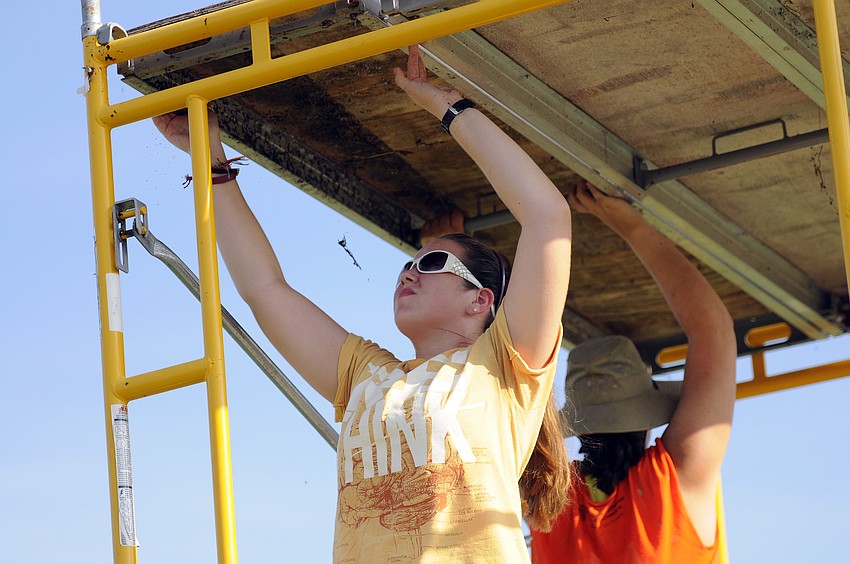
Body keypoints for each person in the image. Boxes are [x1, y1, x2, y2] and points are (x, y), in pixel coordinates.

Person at [154, 45, 573, 562]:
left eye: (433, 263)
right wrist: (209, 159)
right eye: (407, 264)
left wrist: (448, 106)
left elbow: (547, 217)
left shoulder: (504, 366)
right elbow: (265, 289)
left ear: (480, 302)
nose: (409, 272)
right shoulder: (366, 374)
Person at [530, 183, 736, 563]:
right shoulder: (677, 477)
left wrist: (449, 260)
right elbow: (714, 333)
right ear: (646, 417)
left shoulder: (545, 498)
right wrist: (630, 226)